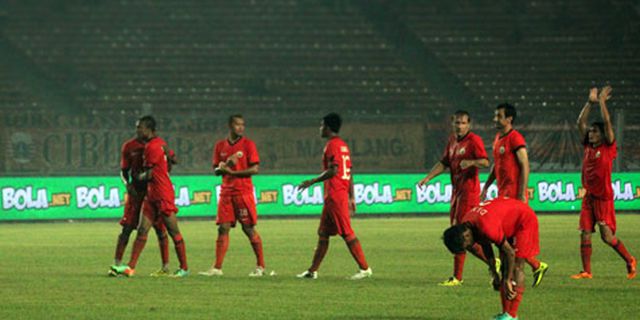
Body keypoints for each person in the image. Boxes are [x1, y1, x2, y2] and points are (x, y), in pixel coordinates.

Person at [418, 111, 491, 286]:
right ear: (453, 124)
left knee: (459, 234)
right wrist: (428, 178)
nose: (459, 126)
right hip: (456, 193)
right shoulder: (452, 141)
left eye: (463, 123)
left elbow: (486, 162)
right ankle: (492, 261)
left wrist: (472, 162)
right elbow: (444, 163)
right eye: (457, 123)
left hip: (469, 193)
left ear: (469, 124)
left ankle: (458, 277)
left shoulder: (474, 141)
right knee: (460, 235)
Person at [110, 115, 189, 277]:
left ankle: (181, 268)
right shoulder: (133, 146)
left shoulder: (154, 146)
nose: (137, 130)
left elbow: (154, 170)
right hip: (146, 195)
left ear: (149, 129)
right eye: (137, 127)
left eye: (140, 127)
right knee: (137, 229)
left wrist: (140, 177)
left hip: (160, 193)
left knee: (169, 231)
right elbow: (170, 161)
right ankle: (128, 267)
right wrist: (129, 184)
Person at [296, 113, 371, 280]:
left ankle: (365, 269)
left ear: (328, 128)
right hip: (336, 194)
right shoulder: (343, 145)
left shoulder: (332, 145)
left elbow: (334, 170)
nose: (320, 129)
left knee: (347, 233)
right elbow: (349, 171)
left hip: (336, 194)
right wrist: (352, 196)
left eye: (322, 125)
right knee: (323, 234)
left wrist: (312, 181)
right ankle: (312, 271)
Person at [571, 86, 636, 280]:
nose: (591, 134)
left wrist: (601, 102)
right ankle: (586, 272)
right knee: (584, 233)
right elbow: (579, 122)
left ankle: (629, 259)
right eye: (590, 132)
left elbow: (607, 122)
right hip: (590, 197)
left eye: (595, 132)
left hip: (603, 197)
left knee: (607, 237)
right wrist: (589, 103)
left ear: (602, 135)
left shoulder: (608, 147)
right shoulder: (588, 147)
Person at [480, 103, 548, 287]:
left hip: (514, 198)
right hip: (503, 197)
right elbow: (497, 165)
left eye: (499, 116)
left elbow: (525, 164)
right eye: (495, 116)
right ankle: (534, 266)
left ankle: (513, 288)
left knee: (512, 246)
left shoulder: (515, 138)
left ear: (509, 119)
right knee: (504, 242)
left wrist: (521, 194)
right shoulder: (498, 138)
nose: (495, 119)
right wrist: (486, 186)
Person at [443, 198, 544, 320]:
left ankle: (512, 315)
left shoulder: (486, 227)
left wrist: (506, 279)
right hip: (507, 220)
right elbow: (486, 244)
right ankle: (505, 314)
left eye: (468, 245)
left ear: (467, 236)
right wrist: (494, 273)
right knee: (504, 267)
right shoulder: (467, 225)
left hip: (524, 220)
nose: (470, 247)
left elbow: (510, 252)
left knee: (517, 265)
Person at [199, 114, 266, 277]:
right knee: (223, 228)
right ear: (230, 126)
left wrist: (232, 171)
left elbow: (255, 169)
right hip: (226, 193)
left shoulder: (248, 145)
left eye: (243, 125)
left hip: (243, 193)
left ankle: (261, 266)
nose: (241, 127)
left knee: (248, 228)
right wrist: (224, 166)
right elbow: (216, 171)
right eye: (237, 124)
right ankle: (217, 268)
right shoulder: (220, 146)